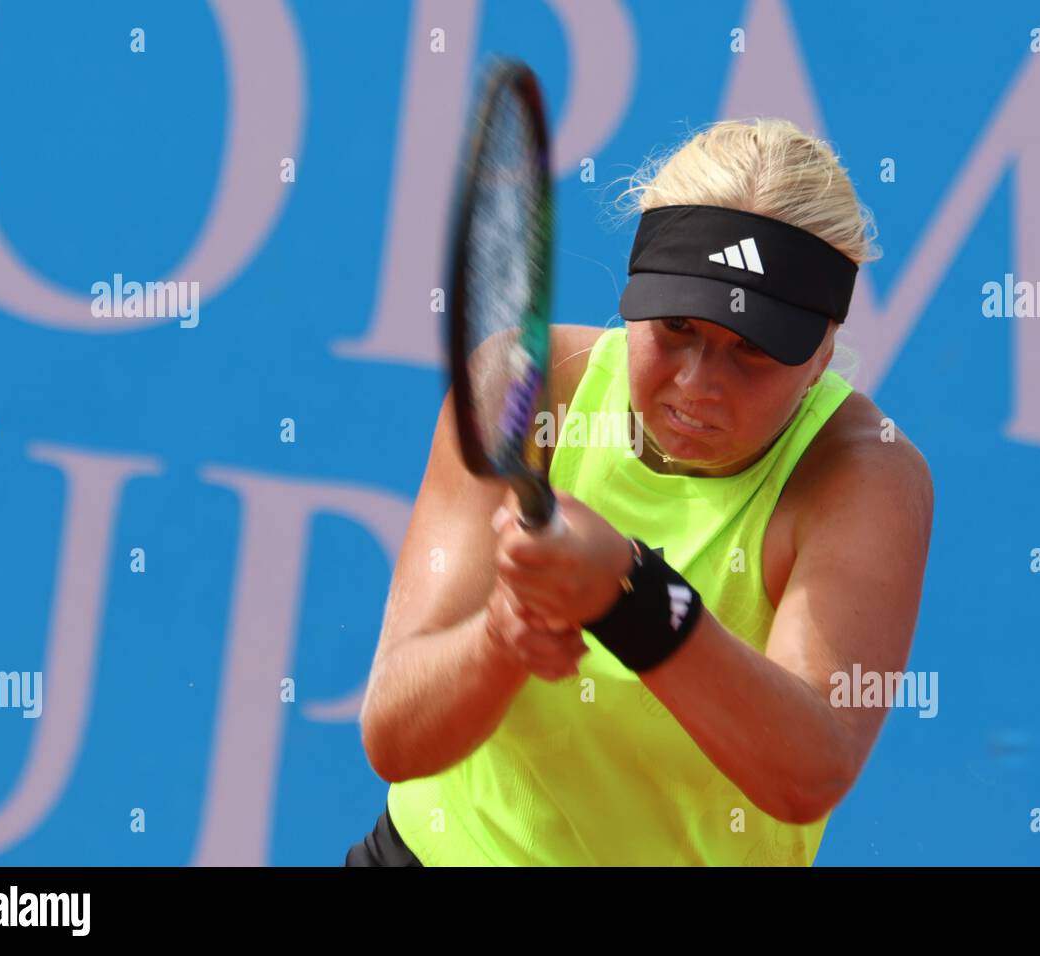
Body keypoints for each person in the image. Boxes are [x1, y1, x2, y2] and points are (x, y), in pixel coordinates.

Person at [348, 118, 933, 866]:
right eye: (677, 327)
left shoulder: (866, 475)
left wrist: (630, 596)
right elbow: (396, 735)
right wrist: (502, 634)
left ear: (821, 355)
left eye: (751, 350)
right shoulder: (527, 387)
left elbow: (808, 772)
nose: (697, 385)